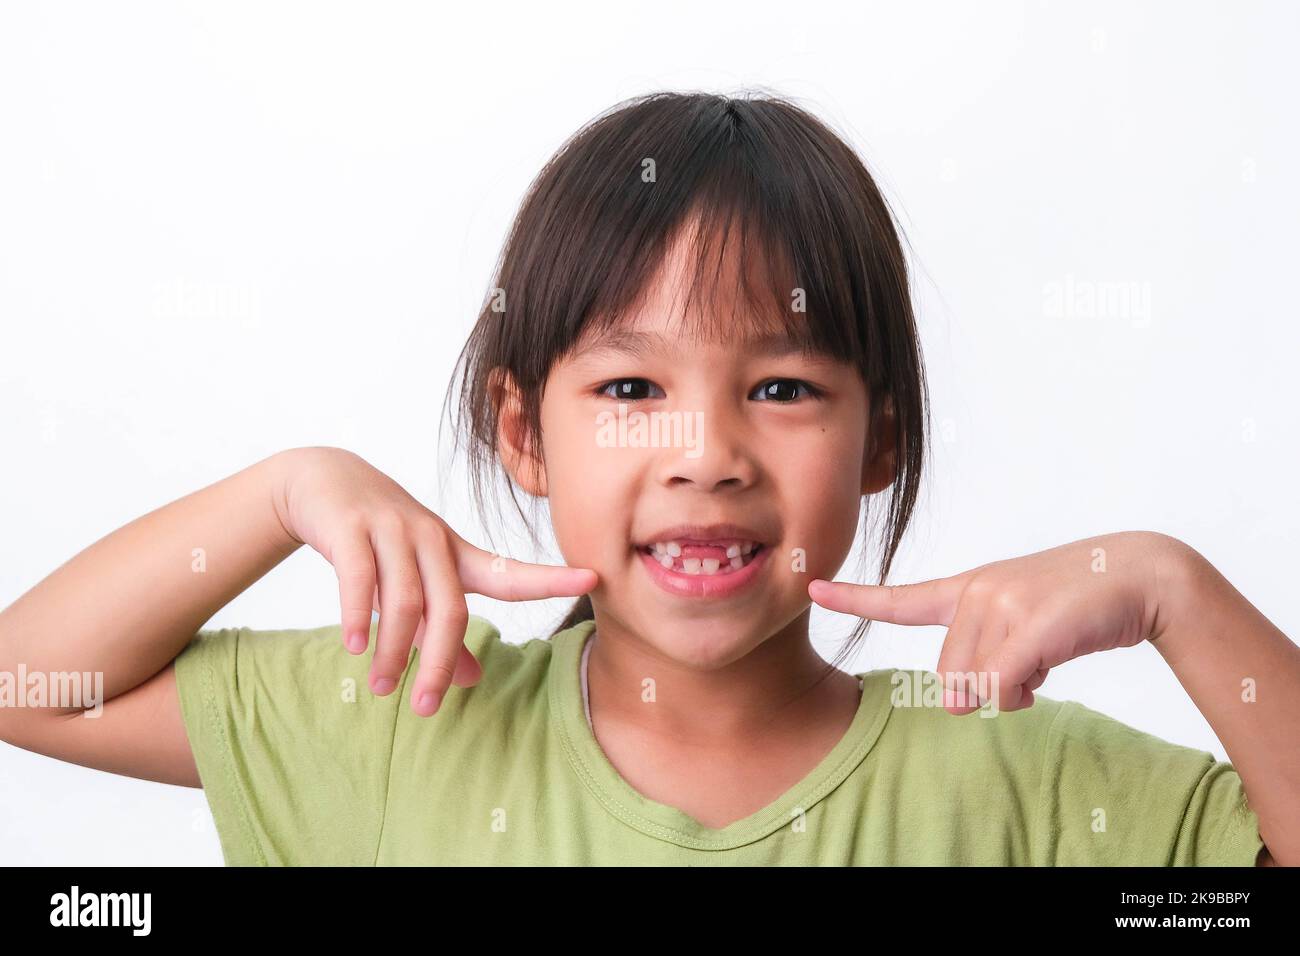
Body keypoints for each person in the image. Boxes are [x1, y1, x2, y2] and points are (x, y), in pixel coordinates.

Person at [1, 92, 1292, 865]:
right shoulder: (402, 726)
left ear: (881, 442)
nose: (706, 455)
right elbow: (27, 686)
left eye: (781, 389)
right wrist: (287, 490)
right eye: (629, 391)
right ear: (523, 433)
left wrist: (1176, 590)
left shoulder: (1028, 783)